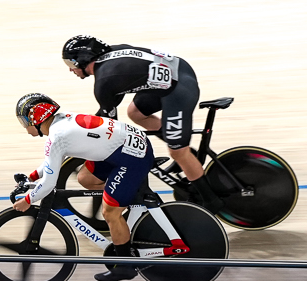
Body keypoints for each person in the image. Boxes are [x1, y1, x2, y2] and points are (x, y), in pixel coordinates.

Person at [10, 91, 155, 281]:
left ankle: (125, 267)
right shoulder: (60, 122)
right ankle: (124, 194)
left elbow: (49, 184)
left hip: (132, 157)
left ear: (36, 118)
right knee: (85, 177)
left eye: (24, 121)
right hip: (124, 147)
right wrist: (32, 176)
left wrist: (27, 201)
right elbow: (52, 162)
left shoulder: (57, 136)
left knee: (110, 212)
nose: (25, 127)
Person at [60, 35, 209, 186]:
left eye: (70, 63)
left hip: (178, 90)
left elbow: (110, 128)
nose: (70, 69)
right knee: (135, 112)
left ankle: (209, 199)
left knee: (177, 152)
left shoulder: (104, 82)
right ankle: (187, 152)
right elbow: (113, 99)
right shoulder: (109, 57)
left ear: (83, 60)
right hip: (178, 69)